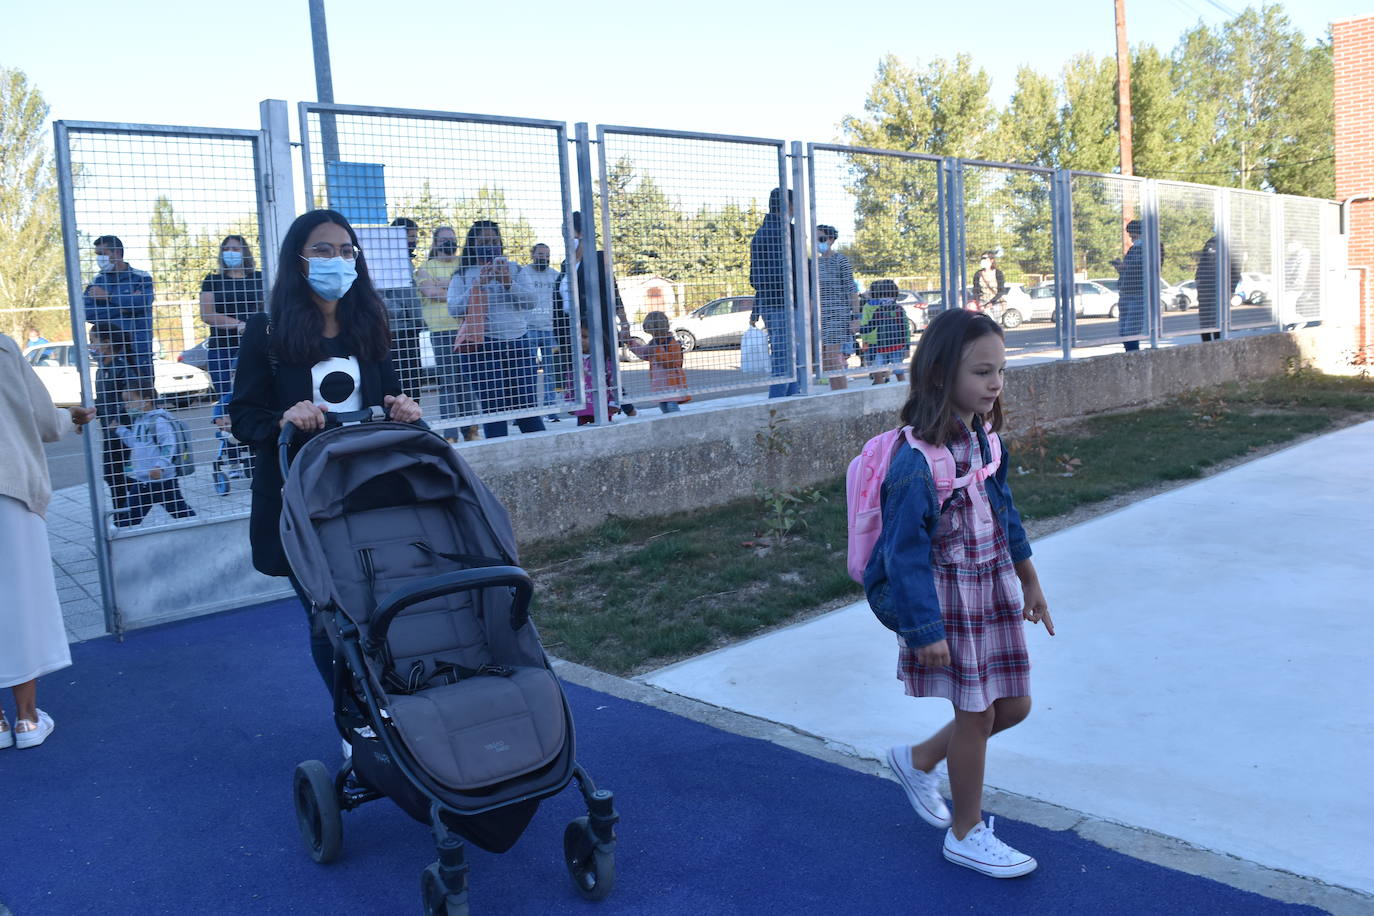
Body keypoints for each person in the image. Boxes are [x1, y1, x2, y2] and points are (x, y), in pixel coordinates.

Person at [864, 308, 1053, 879]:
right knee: (976, 713)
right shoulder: (916, 462)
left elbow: (1005, 512)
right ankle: (966, 832)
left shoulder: (985, 438)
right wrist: (925, 631)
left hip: (989, 588)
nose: (995, 384)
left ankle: (918, 759)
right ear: (941, 375)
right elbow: (903, 555)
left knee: (1012, 705)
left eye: (1000, 370)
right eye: (982, 373)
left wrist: (1030, 580)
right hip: (948, 603)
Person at [229, 209, 421, 689]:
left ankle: (396, 701)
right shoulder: (267, 331)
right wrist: (283, 420)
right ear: (298, 261)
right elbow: (243, 417)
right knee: (327, 617)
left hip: (370, 493)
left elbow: (389, 396)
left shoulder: (372, 323)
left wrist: (402, 408)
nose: (336, 259)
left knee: (381, 606)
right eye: (322, 250)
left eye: (345, 250)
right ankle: (354, 720)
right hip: (302, 502)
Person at [0, 332, 97, 750]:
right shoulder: (2, 347)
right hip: (9, 487)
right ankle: (26, 719)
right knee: (22, 603)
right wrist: (72, 418)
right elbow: (41, 419)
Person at [446, 220, 545, 439]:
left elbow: (531, 301)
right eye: (483, 242)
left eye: (493, 241)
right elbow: (454, 309)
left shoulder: (515, 269)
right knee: (493, 408)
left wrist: (508, 282)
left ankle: (543, 450)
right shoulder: (462, 274)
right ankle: (498, 454)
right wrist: (478, 285)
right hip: (482, 347)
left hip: (518, 343)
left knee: (526, 406)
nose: (489, 246)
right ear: (472, 245)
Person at [555, 211, 637, 417]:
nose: (566, 236)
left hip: (597, 330)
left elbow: (613, 292)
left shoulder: (599, 259)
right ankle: (594, 413)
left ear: (582, 233)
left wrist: (624, 323)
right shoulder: (566, 264)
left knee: (603, 373)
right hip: (572, 332)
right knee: (581, 376)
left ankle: (616, 409)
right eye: (563, 232)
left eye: (569, 231)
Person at [416, 226, 479, 442]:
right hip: (441, 331)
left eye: (452, 239)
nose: (449, 243)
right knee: (450, 381)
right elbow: (430, 293)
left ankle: (471, 431)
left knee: (468, 380)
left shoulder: (463, 265)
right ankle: (450, 433)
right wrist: (455, 288)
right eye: (444, 240)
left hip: (466, 328)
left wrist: (447, 286)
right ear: (435, 243)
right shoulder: (425, 268)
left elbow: (474, 290)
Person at [199, 235, 265, 423]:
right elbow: (207, 314)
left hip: (255, 347)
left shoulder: (260, 278)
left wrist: (253, 328)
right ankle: (229, 446)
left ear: (245, 252)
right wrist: (239, 325)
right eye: (226, 249)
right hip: (222, 349)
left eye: (235, 249)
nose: (231, 253)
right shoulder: (212, 280)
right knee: (228, 398)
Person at [112, 387, 196, 527]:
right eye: (125, 402)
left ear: (147, 401)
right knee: (129, 516)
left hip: (162, 480)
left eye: (130, 400)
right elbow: (135, 442)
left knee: (181, 512)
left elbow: (169, 445)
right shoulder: (139, 421)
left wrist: (160, 466)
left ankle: (198, 529)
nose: (126, 405)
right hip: (143, 480)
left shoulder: (159, 421)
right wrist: (120, 429)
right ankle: (121, 538)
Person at [83, 235, 155, 390]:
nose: (99, 259)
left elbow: (142, 303)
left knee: (143, 398)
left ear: (116, 253)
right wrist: (126, 308)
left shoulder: (140, 277)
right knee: (112, 401)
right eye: (97, 254)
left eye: (102, 253)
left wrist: (107, 297)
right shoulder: (97, 281)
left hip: (138, 351)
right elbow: (87, 312)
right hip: (110, 353)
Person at [750, 188, 799, 398]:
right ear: (787, 206)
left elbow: (755, 277)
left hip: (770, 303)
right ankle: (781, 405)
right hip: (787, 303)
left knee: (786, 357)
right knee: (788, 358)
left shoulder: (761, 234)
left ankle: (788, 402)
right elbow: (799, 269)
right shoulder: (787, 232)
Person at [87, 323, 135, 512]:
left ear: (107, 343)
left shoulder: (120, 367)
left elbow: (131, 396)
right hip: (110, 429)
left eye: (93, 341)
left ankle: (147, 493)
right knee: (113, 474)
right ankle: (124, 516)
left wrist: (119, 420)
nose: (91, 346)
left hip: (122, 429)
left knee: (113, 473)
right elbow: (103, 400)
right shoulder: (103, 368)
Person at [382, 216, 427, 400]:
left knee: (414, 384)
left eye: (415, 236)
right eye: (410, 236)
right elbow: (379, 297)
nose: (413, 241)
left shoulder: (407, 261)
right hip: (395, 332)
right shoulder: (384, 262)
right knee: (399, 384)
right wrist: (402, 311)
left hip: (412, 330)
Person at [517, 243, 561, 419]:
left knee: (551, 372)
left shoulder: (555, 275)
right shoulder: (523, 274)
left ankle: (551, 411)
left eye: (547, 254)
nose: (544, 257)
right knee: (527, 372)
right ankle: (529, 411)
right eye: (540, 254)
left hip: (550, 330)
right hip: (528, 329)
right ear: (532, 254)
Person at [816, 224, 859, 391]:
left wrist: (856, 317)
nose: (818, 242)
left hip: (838, 315)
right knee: (827, 360)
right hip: (821, 317)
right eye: (816, 239)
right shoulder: (815, 263)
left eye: (821, 238)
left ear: (831, 239)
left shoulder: (841, 260)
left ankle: (842, 393)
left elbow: (852, 289)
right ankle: (836, 393)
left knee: (833, 356)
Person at [623, 311, 690, 413]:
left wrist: (658, 352)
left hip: (671, 383)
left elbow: (674, 363)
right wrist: (631, 343)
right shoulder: (654, 342)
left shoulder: (671, 342)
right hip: (660, 383)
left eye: (654, 332)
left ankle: (676, 423)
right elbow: (644, 353)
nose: (653, 335)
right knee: (663, 405)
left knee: (671, 405)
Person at [858, 280, 910, 385]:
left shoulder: (899, 310)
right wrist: (858, 329)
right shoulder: (878, 311)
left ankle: (903, 389)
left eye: (889, 295)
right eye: (882, 295)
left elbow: (905, 329)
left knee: (899, 372)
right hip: (881, 348)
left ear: (895, 296)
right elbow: (871, 326)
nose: (885, 298)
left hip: (897, 348)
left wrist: (907, 347)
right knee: (877, 370)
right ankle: (880, 388)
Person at [1195, 235, 1239, 343]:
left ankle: (1219, 343)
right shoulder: (1211, 242)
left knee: (1218, 319)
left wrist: (1231, 289)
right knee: (1205, 319)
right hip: (1206, 287)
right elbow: (1203, 264)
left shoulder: (1231, 244)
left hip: (1220, 289)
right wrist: (1199, 281)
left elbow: (1235, 270)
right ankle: (1206, 344)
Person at [571, 324, 618, 425]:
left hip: (603, 408)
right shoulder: (575, 360)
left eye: (584, 337)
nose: (581, 341)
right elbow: (570, 383)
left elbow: (613, 381)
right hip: (582, 409)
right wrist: (570, 402)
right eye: (578, 337)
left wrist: (614, 402)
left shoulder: (604, 360)